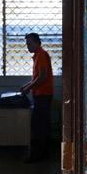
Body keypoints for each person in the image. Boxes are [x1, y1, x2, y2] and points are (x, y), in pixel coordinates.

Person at [20, 33, 54, 163]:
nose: (27, 46)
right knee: (42, 124)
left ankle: (37, 154)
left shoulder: (41, 55)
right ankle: (44, 152)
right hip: (42, 94)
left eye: (29, 44)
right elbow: (37, 77)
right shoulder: (38, 55)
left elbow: (42, 77)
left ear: (36, 42)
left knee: (38, 125)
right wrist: (27, 85)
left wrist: (29, 88)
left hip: (43, 95)